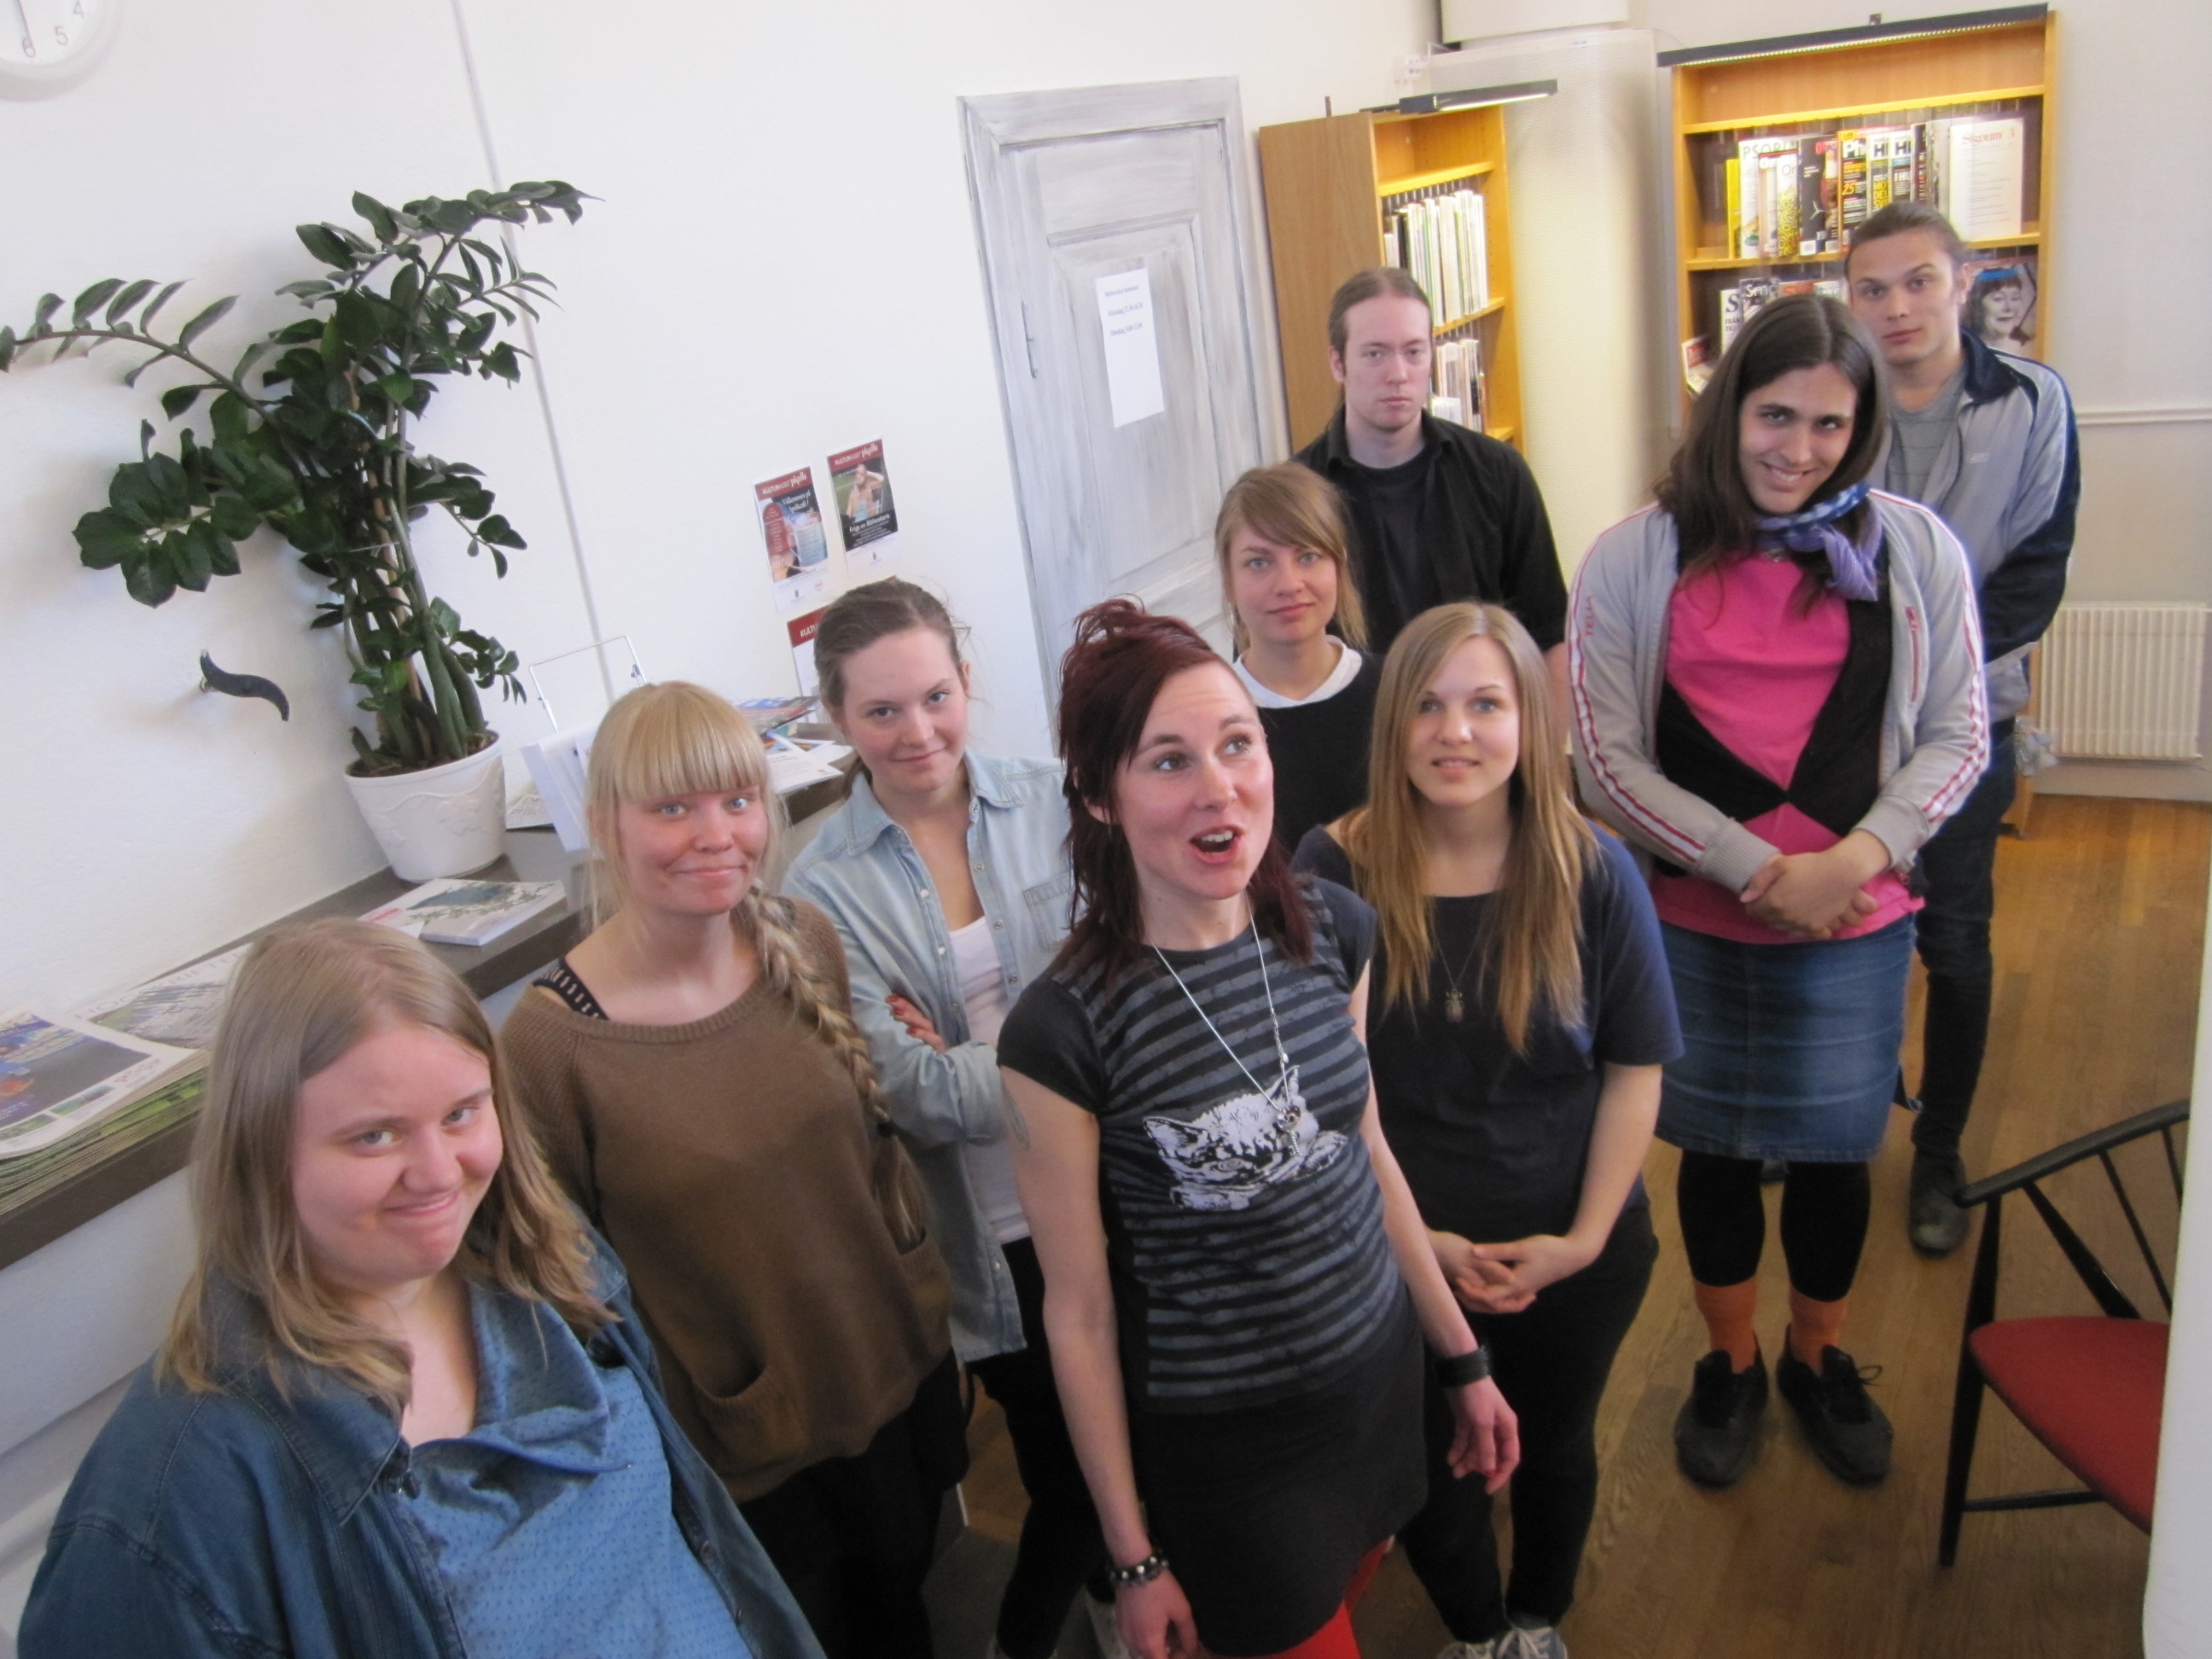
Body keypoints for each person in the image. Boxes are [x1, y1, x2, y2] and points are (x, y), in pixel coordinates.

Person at [20, 918, 824, 1659]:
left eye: (461, 1114)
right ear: (262, 1151)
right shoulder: (173, 1499)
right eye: (375, 1137)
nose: (439, 1175)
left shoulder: (544, 1259)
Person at [997, 599, 1519, 1659]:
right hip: (1234, 1454)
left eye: (1238, 744)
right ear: (1098, 795)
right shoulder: (1062, 1031)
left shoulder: (1331, 928)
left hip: (1378, 1383)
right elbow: (1080, 1315)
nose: (1219, 786)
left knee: (1358, 1577)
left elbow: (1368, 1156)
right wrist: (1133, 1556)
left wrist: (1461, 1358)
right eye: (1169, 761)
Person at [1569, 294, 1988, 1490]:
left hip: (1856, 920)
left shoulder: (1916, 549)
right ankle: (1731, 1361)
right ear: (1728, 410)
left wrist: (1851, 864)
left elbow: (1958, 735)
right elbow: (1605, 760)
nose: (1799, 449)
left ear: (1860, 431)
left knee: (1835, 1155)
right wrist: (1754, 871)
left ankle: (1817, 1357)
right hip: (1695, 923)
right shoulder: (1633, 554)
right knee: (1710, 1152)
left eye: (1828, 424)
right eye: (1774, 416)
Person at [500, 681, 963, 1659]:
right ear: (605, 826)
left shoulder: (805, 940)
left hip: (892, 1376)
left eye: (737, 801)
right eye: (673, 807)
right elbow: (561, 1293)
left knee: (907, 1609)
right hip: (748, 1451)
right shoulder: (552, 1045)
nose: (715, 835)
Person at [1295, 602, 1679, 1659]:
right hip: (1398, 1246)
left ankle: (1535, 1621)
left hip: (1571, 1241)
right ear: (1393, 724)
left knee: (1555, 1444)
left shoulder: (1593, 868)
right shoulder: (1333, 868)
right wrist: (1424, 1248)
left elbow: (1634, 1072)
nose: (1454, 732)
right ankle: (1475, 1632)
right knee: (1429, 1464)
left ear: (1529, 720)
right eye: (1426, 705)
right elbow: (1325, 1094)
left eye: (1484, 705)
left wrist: (1582, 1242)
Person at [783, 579, 1117, 1659]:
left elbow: (1129, 995)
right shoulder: (819, 890)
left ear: (967, 680)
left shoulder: (1058, 802)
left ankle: (1112, 1602)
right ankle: (1031, 1636)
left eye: (935, 696)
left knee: (1127, 1437)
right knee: (1067, 1460)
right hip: (988, 1238)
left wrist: (975, 1054)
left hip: (1111, 1190)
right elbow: (913, 1095)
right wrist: (1068, 1048)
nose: (917, 731)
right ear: (837, 718)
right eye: (881, 711)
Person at [1847, 202, 2077, 1254]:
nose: (1897, 308)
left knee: (1955, 942)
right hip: (1845, 725)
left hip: (1971, 721)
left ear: (1964, 282)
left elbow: (2036, 570)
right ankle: (1838, 1118)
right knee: (1849, 927)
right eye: (1873, 289)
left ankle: (1937, 1151)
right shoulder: (1834, 399)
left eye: (1918, 282)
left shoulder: (2031, 401)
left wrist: (1929, 677)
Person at [1293, 268, 1568, 688]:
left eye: (1414, 352)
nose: (1398, 373)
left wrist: (1546, 733)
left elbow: (1549, 635)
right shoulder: (1295, 496)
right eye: (1375, 354)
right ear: (1337, 363)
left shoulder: (1498, 472)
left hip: (1480, 719)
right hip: (1356, 725)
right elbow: (1266, 659)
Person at [1214, 463, 1382, 853]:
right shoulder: (1212, 719)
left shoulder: (1397, 691)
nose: (1289, 584)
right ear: (1228, 579)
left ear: (1339, 564)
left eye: (1308, 556)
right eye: (1259, 562)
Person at [1964, 259, 2036, 354]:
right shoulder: (1966, 350)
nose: (2009, 308)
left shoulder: (2030, 349)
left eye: (2015, 298)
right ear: (1978, 306)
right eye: (1998, 299)